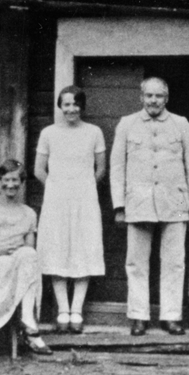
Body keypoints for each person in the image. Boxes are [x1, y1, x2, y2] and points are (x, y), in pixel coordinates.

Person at [110, 77, 189, 336]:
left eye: (159, 96)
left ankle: (171, 316)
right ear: (141, 97)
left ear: (166, 98)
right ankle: (139, 316)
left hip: (175, 201)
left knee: (174, 262)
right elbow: (117, 168)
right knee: (136, 262)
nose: (153, 100)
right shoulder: (127, 124)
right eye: (149, 95)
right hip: (138, 202)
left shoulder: (181, 124)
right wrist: (119, 205)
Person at [35, 85, 107, 334]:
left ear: (82, 106)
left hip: (84, 200)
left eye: (76, 104)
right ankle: (62, 310)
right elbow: (38, 170)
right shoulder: (48, 133)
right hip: (57, 201)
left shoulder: (94, 132)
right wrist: (57, 188)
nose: (71, 109)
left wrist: (83, 188)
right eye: (66, 104)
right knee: (58, 249)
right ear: (60, 106)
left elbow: (100, 169)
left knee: (83, 249)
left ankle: (77, 310)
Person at [0, 160, 52, 355]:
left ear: (22, 182)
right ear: (0, 181)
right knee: (26, 261)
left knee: (30, 255)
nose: (10, 185)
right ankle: (31, 330)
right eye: (6, 180)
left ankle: (27, 319)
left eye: (15, 180)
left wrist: (14, 252)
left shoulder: (29, 213)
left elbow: (29, 250)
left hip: (12, 263)